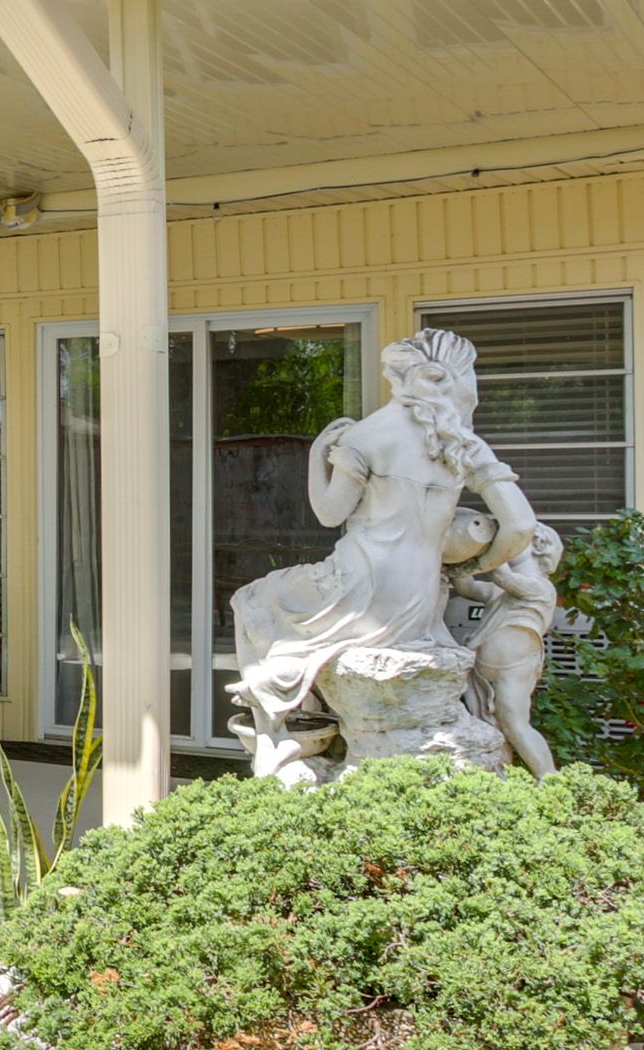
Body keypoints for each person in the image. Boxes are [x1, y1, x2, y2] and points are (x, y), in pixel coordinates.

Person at [225, 325, 539, 777]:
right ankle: (300, 719)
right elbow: (521, 526)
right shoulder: (464, 447)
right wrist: (473, 565)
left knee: (252, 599)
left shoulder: (367, 435)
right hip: (422, 597)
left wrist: (317, 454)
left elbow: (330, 514)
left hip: (360, 584)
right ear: (447, 379)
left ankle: (274, 734)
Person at [452, 519, 563, 778]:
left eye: (516, 539)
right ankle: (498, 776)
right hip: (482, 668)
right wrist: (459, 550)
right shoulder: (498, 594)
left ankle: (548, 778)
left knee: (515, 725)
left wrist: (486, 542)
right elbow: (465, 586)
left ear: (537, 547)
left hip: (516, 665)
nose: (508, 544)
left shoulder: (541, 588)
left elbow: (502, 575)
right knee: (489, 727)